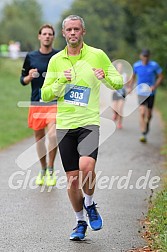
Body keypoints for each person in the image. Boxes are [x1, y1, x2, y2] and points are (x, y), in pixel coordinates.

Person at [41, 15, 123, 240]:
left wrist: (105, 75)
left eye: (77, 29)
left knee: (86, 166)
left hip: (88, 123)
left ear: (83, 32)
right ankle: (79, 222)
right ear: (64, 32)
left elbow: (118, 81)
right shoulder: (56, 60)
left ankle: (90, 203)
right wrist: (61, 82)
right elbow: (45, 93)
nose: (73, 33)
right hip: (65, 126)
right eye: (69, 29)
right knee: (73, 180)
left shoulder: (97, 55)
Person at [20, 24, 59, 186]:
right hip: (36, 103)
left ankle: (51, 169)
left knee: (53, 136)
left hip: (53, 103)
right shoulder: (31, 56)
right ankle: (42, 169)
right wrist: (29, 77)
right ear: (39, 36)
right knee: (39, 139)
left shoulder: (59, 56)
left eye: (50, 34)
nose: (47, 36)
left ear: (53, 37)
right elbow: (22, 80)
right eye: (44, 34)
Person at [129, 49, 163, 143]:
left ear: (149, 56)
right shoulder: (137, 65)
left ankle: (147, 124)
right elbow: (133, 76)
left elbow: (161, 76)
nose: (145, 58)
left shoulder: (154, 65)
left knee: (149, 114)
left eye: (147, 56)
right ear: (141, 56)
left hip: (151, 93)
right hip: (141, 92)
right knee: (142, 112)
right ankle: (143, 133)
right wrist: (130, 87)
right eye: (144, 56)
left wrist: (155, 86)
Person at [112, 62, 128, 129]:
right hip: (115, 93)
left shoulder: (124, 75)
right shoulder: (114, 75)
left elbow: (127, 84)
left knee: (120, 109)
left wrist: (129, 88)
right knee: (114, 109)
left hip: (122, 93)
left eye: (121, 67)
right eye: (118, 67)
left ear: (122, 68)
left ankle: (119, 123)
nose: (119, 68)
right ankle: (115, 114)